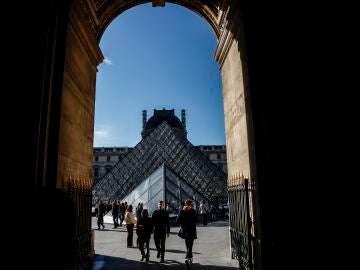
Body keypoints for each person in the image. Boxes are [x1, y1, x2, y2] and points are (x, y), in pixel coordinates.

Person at [176, 199, 198, 269]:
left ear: (185, 204)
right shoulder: (193, 211)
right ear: (190, 205)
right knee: (190, 245)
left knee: (188, 245)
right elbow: (197, 220)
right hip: (191, 231)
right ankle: (187, 258)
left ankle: (189, 259)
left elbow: (177, 221)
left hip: (185, 231)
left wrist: (182, 212)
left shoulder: (182, 211)